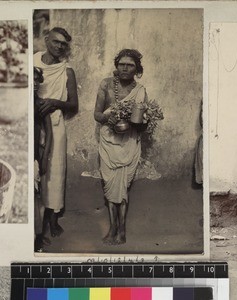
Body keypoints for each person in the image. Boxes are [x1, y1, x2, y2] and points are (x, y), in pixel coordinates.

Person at [94, 49, 148, 245]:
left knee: (123, 188)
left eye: (130, 65)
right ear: (117, 66)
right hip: (109, 143)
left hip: (129, 144)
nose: (125, 68)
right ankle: (112, 228)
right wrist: (113, 117)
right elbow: (97, 115)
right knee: (109, 188)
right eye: (122, 64)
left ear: (137, 69)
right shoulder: (106, 84)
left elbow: (144, 124)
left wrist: (138, 119)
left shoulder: (140, 90)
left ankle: (122, 230)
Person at [34, 27, 78, 237]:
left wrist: (53, 102)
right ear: (46, 40)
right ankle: (36, 225)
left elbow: (73, 105)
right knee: (35, 170)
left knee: (54, 173)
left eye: (63, 44)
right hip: (34, 123)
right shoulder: (31, 62)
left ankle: (52, 220)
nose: (59, 46)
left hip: (56, 125)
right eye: (56, 41)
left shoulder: (66, 71)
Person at [34, 67, 52, 252]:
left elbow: (49, 134)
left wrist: (44, 157)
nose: (35, 83)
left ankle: (37, 238)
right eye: (31, 79)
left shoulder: (40, 104)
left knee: (36, 197)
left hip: (34, 158)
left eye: (37, 80)